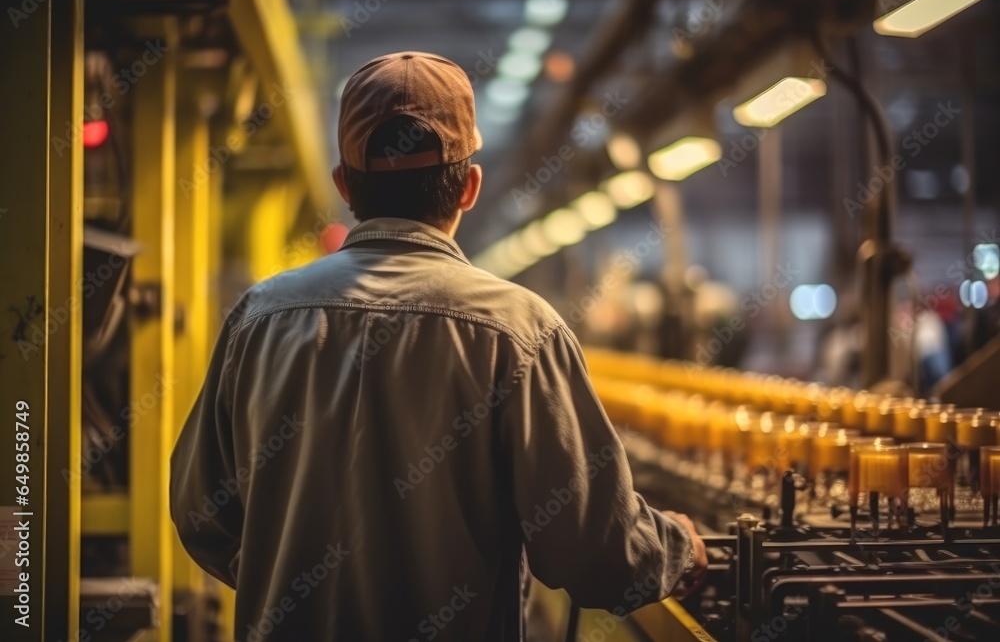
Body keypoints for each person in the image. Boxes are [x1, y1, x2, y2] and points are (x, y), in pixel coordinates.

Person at [170, 51, 707, 641]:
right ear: (470, 187)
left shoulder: (259, 317)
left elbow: (201, 512)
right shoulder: (521, 331)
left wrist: (291, 578)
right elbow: (600, 558)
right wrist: (676, 548)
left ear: (345, 185)